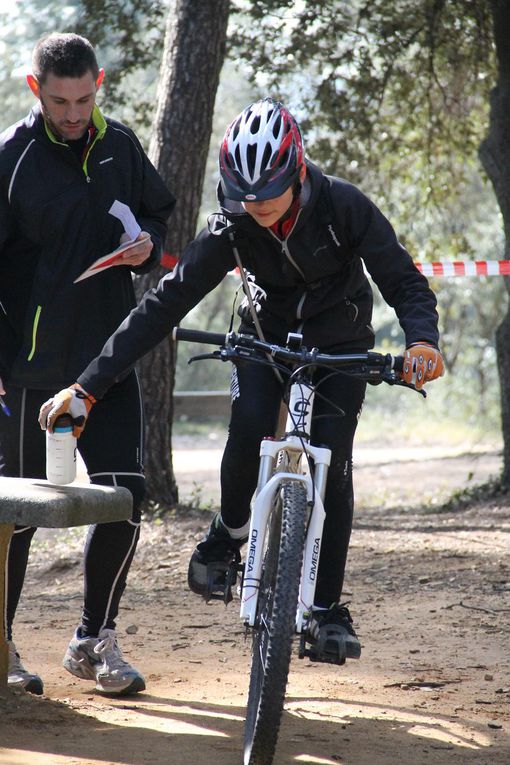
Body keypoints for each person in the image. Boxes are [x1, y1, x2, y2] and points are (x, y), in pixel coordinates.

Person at [40, 97, 443, 666]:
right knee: (250, 422)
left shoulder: (345, 205)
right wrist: (87, 387)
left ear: (297, 170)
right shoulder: (232, 222)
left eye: (267, 196)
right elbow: (163, 305)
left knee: (335, 460)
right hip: (263, 332)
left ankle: (326, 607)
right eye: (243, 196)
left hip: (341, 338)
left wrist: (422, 341)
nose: (255, 208)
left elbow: (404, 281)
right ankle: (229, 532)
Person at [0, 32, 175, 695]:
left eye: (83, 99)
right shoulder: (12, 158)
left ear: (98, 83)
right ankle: (3, 647)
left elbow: (159, 211)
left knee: (127, 497)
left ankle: (93, 637)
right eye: (59, 100)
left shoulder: (121, 148)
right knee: (15, 517)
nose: (73, 114)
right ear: (35, 88)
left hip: (106, 366)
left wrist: (146, 246)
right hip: (29, 371)